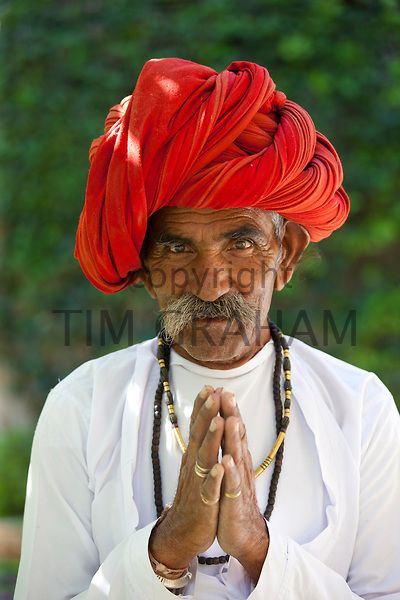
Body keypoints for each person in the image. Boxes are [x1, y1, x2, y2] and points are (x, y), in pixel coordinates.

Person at [14, 58, 400, 599]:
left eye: (241, 242)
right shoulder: (81, 407)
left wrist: (258, 548)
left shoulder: (360, 409)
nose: (211, 284)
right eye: (176, 247)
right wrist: (166, 549)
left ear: (284, 257)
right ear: (147, 268)